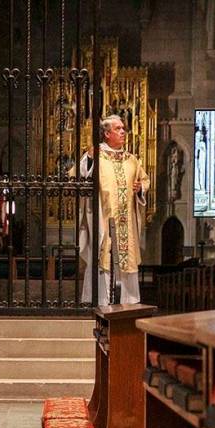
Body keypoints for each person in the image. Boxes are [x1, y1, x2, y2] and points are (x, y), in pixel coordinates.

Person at [78, 115, 151, 305]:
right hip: (104, 220)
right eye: (118, 129)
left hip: (126, 222)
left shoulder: (131, 160)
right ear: (107, 133)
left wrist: (140, 189)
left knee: (127, 262)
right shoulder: (97, 155)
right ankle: (102, 303)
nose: (123, 132)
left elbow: (144, 180)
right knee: (104, 260)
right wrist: (90, 158)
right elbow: (81, 175)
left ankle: (129, 305)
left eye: (123, 129)